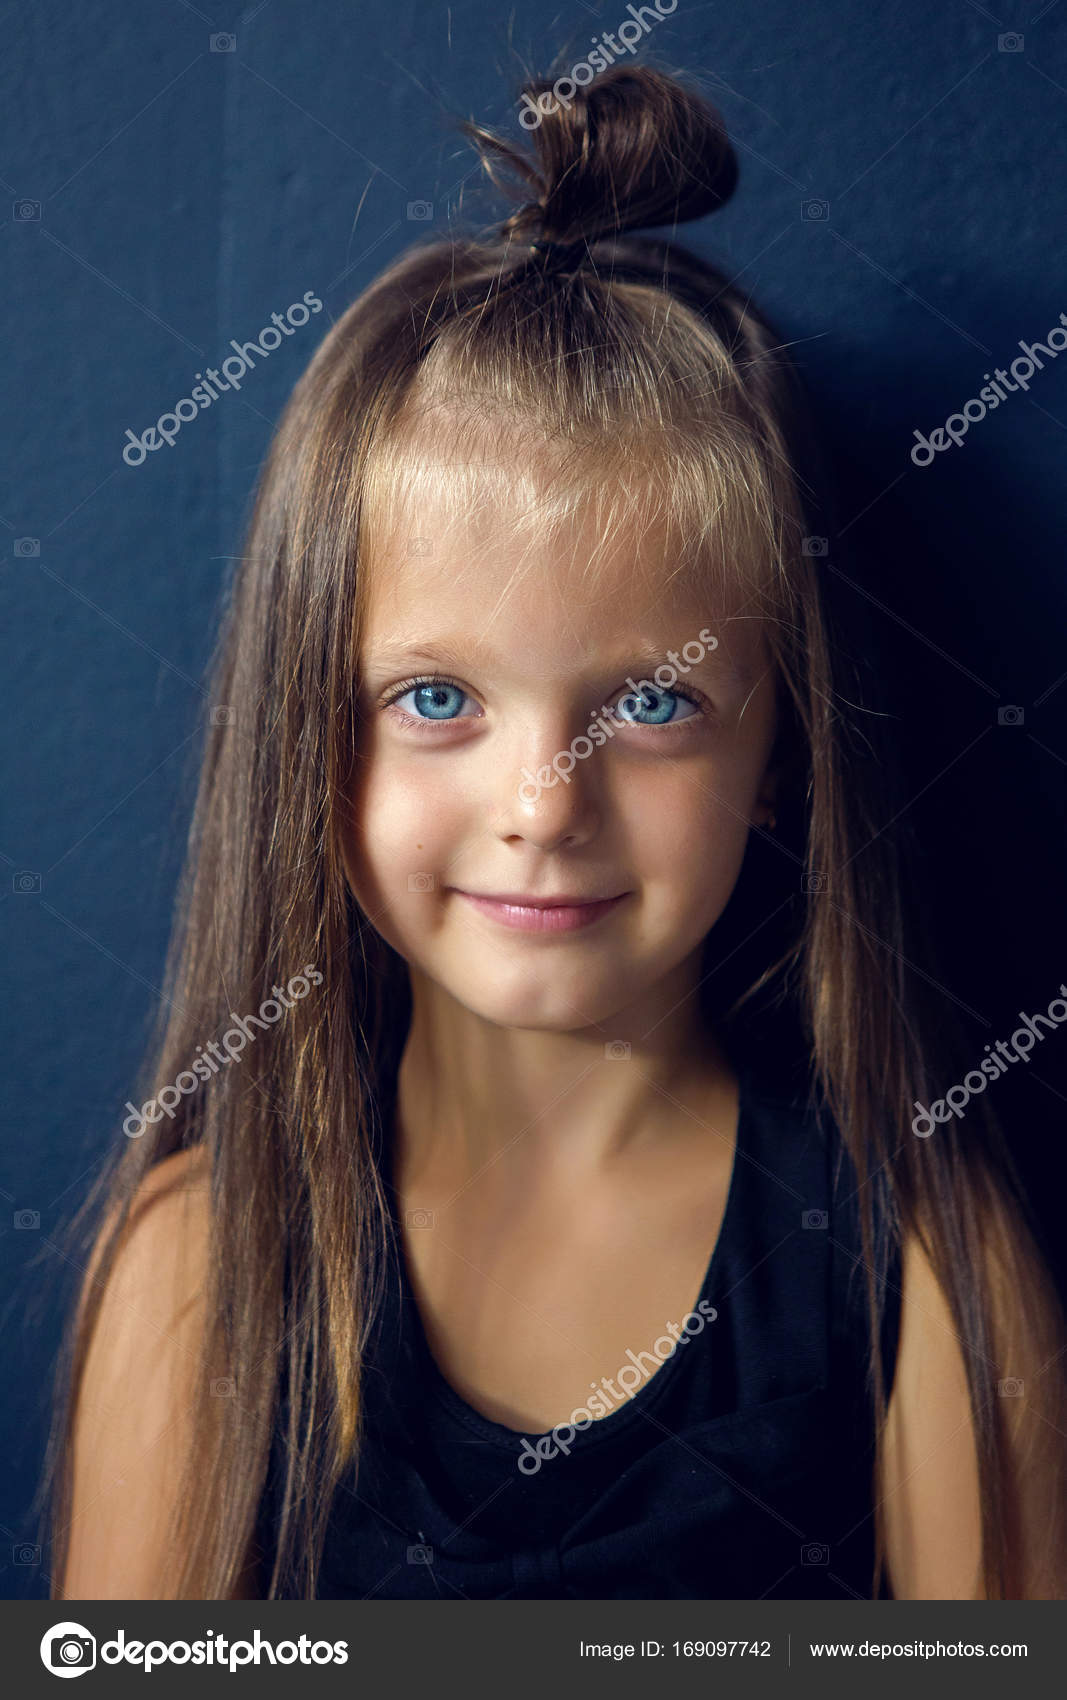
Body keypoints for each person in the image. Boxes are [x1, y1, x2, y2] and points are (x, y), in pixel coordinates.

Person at [45, 64, 1067, 1601]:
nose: (544, 805)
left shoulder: (925, 1265)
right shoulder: (208, 1268)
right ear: (308, 738)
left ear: (782, 751)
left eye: (653, 707)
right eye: (438, 696)